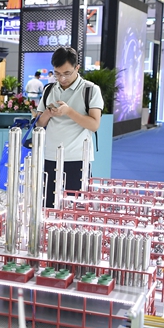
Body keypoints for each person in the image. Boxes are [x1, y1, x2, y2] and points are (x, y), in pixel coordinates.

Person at [35, 47, 104, 208]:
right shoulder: (49, 90)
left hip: (77, 158)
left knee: (76, 209)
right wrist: (48, 113)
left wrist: (68, 111)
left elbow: (94, 125)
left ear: (77, 68)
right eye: (57, 74)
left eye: (67, 73)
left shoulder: (90, 90)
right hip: (50, 157)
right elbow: (38, 124)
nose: (62, 78)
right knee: (48, 207)